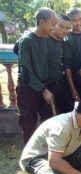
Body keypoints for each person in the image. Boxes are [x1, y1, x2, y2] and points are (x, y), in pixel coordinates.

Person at [16, 7, 57, 143]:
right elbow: (26, 73)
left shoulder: (45, 38)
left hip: (42, 85)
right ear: (41, 22)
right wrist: (43, 90)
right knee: (29, 124)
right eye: (52, 24)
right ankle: (29, 158)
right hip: (28, 89)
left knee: (48, 119)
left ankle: (46, 151)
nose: (54, 28)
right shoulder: (27, 40)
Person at [46, 15, 71, 114]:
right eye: (61, 26)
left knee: (62, 113)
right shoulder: (44, 38)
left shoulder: (64, 41)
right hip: (44, 85)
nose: (64, 30)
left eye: (68, 28)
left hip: (59, 83)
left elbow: (66, 63)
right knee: (48, 115)